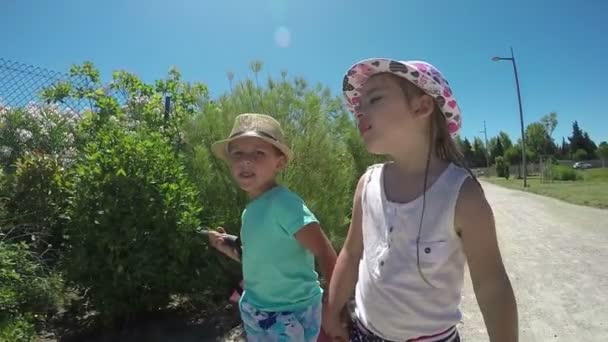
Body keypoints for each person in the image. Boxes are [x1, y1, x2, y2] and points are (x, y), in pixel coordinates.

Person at [324, 59, 518, 342]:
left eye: (374, 99)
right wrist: (331, 310)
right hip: (363, 332)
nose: (359, 112)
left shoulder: (462, 194)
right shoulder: (367, 185)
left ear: (422, 107)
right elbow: (352, 254)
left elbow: (492, 284)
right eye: (357, 107)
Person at [207, 113, 338, 341]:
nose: (246, 160)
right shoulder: (251, 211)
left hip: (293, 312)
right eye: (238, 153)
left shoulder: (284, 204)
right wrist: (225, 245)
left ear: (279, 162)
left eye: (258, 153)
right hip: (259, 311)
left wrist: (333, 306)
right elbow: (261, 259)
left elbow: (325, 252)